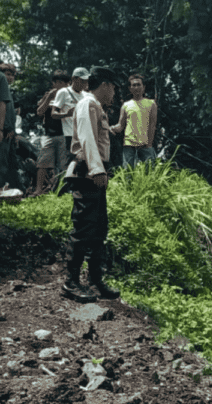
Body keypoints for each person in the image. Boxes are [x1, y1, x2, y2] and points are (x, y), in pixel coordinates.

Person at [61, 66, 120, 302]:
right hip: (87, 172)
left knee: (98, 228)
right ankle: (70, 282)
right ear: (105, 84)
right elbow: (86, 138)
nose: (114, 93)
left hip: (95, 172)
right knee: (83, 228)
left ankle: (96, 280)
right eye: (113, 88)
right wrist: (97, 169)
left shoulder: (97, 107)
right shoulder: (88, 104)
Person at [31, 70, 70, 196]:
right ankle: (38, 190)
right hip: (48, 134)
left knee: (63, 164)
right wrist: (48, 98)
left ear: (67, 83)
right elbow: (39, 112)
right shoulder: (48, 95)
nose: (58, 84)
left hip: (64, 134)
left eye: (61, 82)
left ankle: (62, 190)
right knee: (42, 163)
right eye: (56, 82)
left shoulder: (69, 95)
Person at [110, 74, 157, 167]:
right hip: (129, 145)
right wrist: (110, 128)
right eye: (133, 85)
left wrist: (149, 144)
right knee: (128, 172)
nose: (136, 87)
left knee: (149, 172)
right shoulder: (126, 105)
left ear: (143, 87)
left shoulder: (151, 104)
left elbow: (152, 125)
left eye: (138, 85)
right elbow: (120, 125)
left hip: (145, 145)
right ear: (130, 88)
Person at [52, 67, 89, 166]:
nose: (84, 83)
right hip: (69, 135)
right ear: (74, 79)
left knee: (83, 164)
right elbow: (53, 114)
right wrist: (67, 114)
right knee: (70, 164)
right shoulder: (64, 92)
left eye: (86, 80)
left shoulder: (86, 95)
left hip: (84, 135)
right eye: (82, 80)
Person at [0, 62, 21, 189]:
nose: (10, 77)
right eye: (8, 74)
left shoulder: (9, 91)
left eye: (12, 75)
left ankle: (16, 190)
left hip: (11, 132)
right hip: (5, 131)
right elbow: (3, 112)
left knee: (12, 162)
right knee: (2, 163)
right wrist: (6, 129)